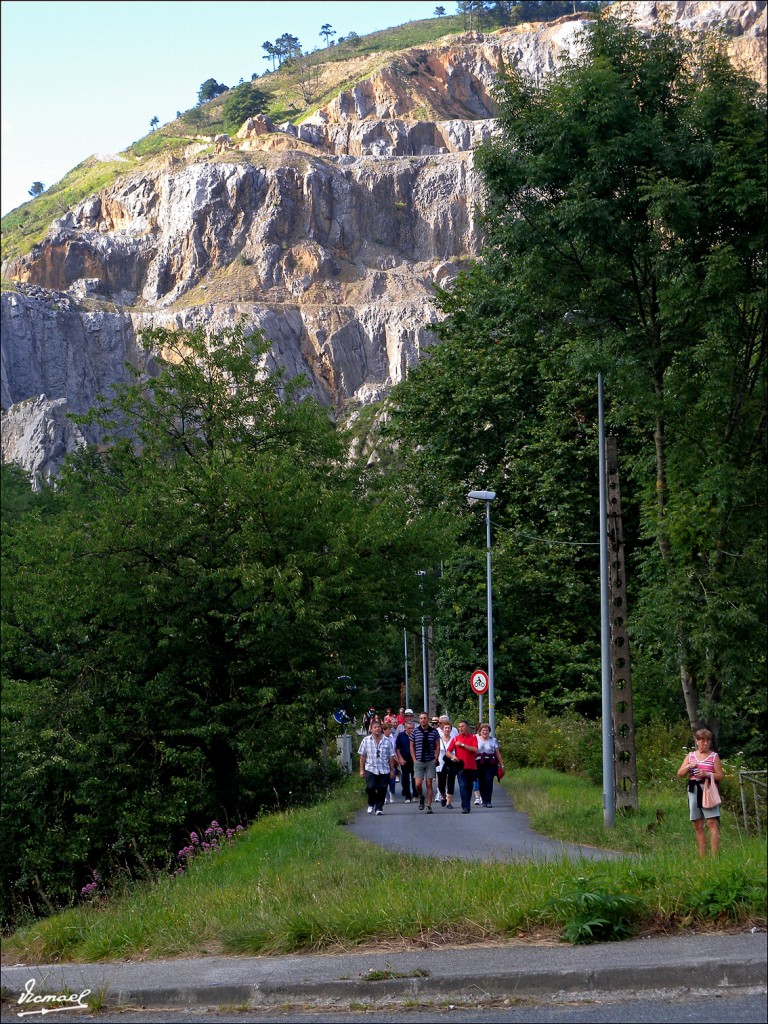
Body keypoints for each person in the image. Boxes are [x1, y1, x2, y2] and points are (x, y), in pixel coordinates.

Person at [676, 728, 723, 856]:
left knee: (711, 822)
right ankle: (703, 856)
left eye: (708, 740)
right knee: (697, 823)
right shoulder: (690, 756)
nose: (705, 743)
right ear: (697, 741)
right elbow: (680, 773)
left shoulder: (714, 756)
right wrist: (688, 766)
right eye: (702, 740)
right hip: (693, 790)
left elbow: (720, 775)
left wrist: (706, 774)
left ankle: (715, 856)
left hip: (708, 790)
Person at [358, 720, 396, 815]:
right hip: (371, 768)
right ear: (371, 729)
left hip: (384, 769)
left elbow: (391, 756)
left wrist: (392, 770)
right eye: (374, 727)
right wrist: (361, 769)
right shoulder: (366, 740)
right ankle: (371, 802)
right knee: (370, 787)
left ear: (381, 729)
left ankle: (379, 808)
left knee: (382, 789)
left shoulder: (386, 741)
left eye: (378, 727)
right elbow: (362, 756)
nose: (377, 729)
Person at [411, 712, 440, 812]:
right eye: (421, 718)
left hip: (430, 760)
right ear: (419, 720)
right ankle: (421, 797)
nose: (423, 720)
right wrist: (414, 759)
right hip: (419, 760)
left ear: (428, 719)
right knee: (418, 784)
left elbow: (437, 745)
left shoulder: (434, 732)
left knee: (429, 783)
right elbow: (412, 746)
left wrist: (436, 757)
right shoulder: (415, 731)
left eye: (425, 718)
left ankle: (429, 805)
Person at [447, 720, 478, 813]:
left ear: (467, 727)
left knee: (469, 787)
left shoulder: (473, 737)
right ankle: (465, 807)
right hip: (460, 768)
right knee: (463, 786)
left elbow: (475, 749)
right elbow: (448, 752)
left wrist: (463, 745)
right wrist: (453, 756)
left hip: (471, 766)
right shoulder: (455, 739)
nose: (461, 728)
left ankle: (466, 803)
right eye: (459, 727)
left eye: (463, 726)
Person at [476, 723, 505, 807]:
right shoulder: (476, 739)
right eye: (483, 730)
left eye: (487, 730)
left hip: (490, 763)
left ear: (489, 731)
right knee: (481, 781)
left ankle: (488, 800)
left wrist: (501, 765)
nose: (485, 732)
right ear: (480, 731)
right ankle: (484, 799)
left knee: (489, 781)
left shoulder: (493, 740)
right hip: (479, 763)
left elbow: (497, 753)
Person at [436, 720, 458, 808]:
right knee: (441, 783)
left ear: (451, 729)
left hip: (451, 763)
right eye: (445, 728)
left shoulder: (454, 740)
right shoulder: (439, 740)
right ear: (443, 729)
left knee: (451, 782)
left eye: (449, 728)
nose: (447, 729)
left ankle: (449, 802)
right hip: (441, 763)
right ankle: (443, 797)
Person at [395, 719, 416, 801]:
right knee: (405, 778)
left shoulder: (415, 735)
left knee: (415, 778)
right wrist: (400, 759)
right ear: (405, 728)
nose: (411, 730)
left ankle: (415, 794)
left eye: (412, 728)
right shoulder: (401, 736)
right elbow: (397, 749)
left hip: (414, 760)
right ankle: (407, 795)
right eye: (409, 728)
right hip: (404, 760)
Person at [381, 721, 398, 803]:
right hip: (383, 761)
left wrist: (397, 760)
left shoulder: (393, 739)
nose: (390, 731)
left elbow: (394, 750)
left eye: (390, 729)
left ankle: (392, 792)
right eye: (388, 729)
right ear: (384, 730)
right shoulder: (380, 739)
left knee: (392, 779)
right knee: (383, 780)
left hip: (392, 761)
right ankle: (384, 795)